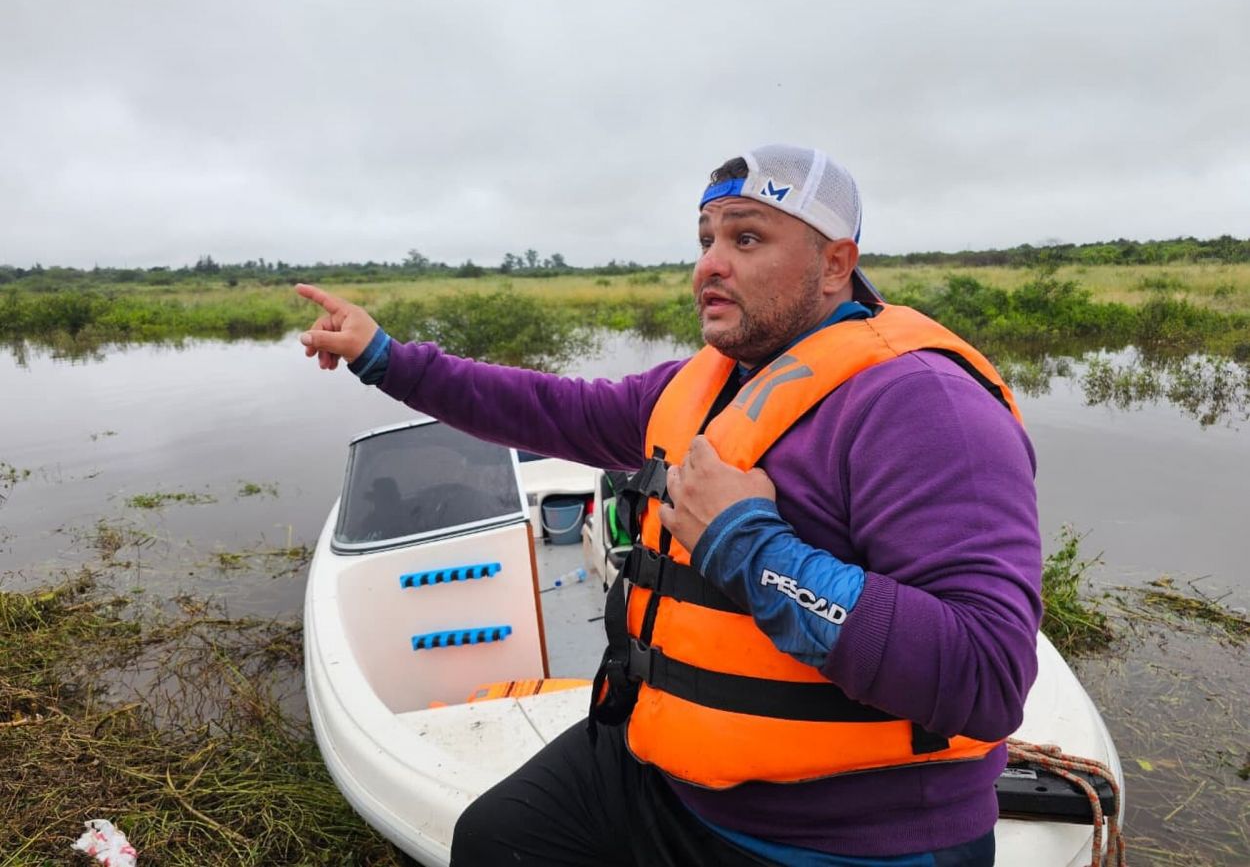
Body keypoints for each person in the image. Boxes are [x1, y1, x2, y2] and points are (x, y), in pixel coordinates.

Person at [296, 144, 1042, 866]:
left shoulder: (924, 405)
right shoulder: (709, 383)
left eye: (746, 238)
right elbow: (550, 408)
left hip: (847, 834)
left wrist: (747, 544)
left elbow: (987, 673)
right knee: (497, 839)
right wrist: (385, 358)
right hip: (672, 772)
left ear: (835, 264)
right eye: (706, 239)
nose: (709, 264)